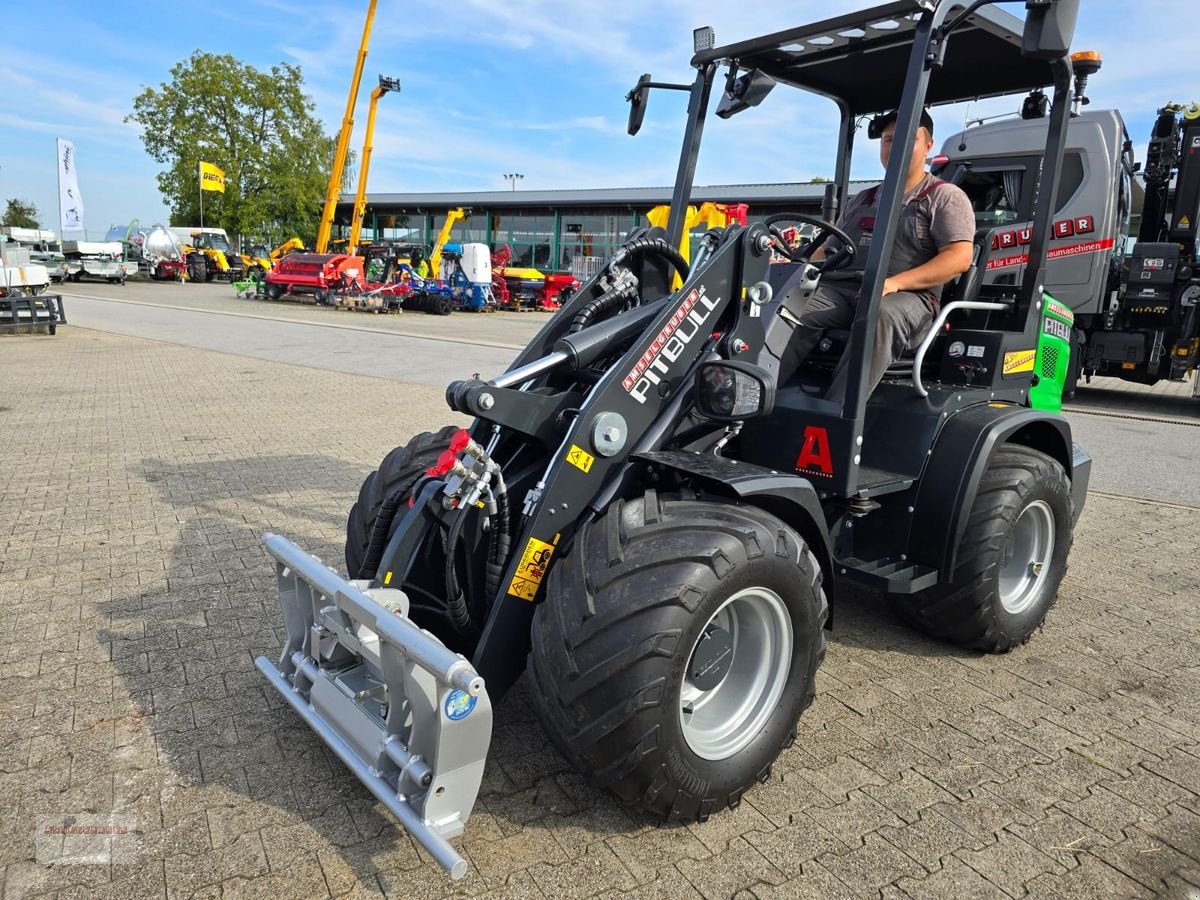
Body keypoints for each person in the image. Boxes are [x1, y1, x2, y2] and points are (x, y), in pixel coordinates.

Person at [777, 108, 977, 403]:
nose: (893, 147)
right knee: (788, 304)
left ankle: (838, 416)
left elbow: (958, 258)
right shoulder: (864, 199)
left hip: (910, 297)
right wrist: (791, 266)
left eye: (906, 139)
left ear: (928, 145)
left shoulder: (944, 197)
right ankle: (751, 397)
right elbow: (828, 248)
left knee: (877, 315)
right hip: (845, 288)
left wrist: (894, 283)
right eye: (887, 140)